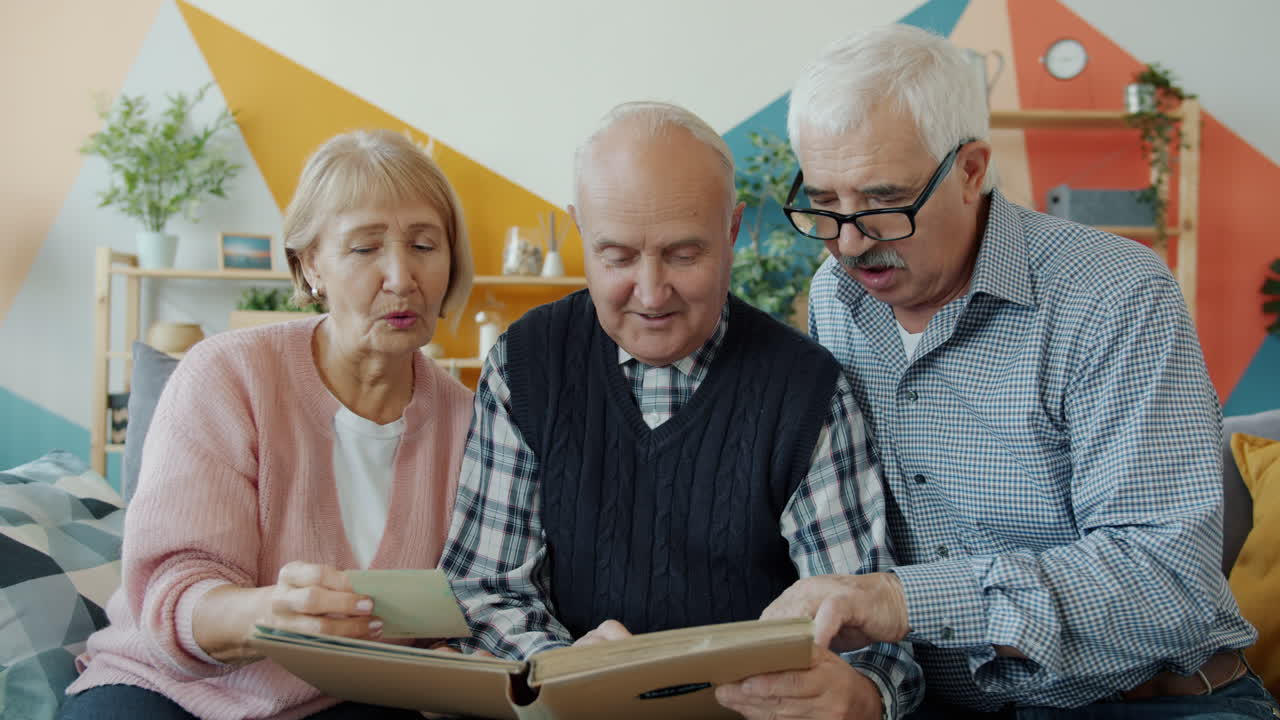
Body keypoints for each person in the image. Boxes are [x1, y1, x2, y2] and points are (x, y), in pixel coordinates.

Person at [752, 23, 1276, 718]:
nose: (849, 244)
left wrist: (901, 599)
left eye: (882, 203)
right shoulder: (836, 298)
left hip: (1149, 702)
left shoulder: (1114, 295)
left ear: (970, 170)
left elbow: (1167, 582)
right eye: (824, 203)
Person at [441, 101, 922, 719]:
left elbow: (870, 630)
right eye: (616, 256)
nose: (650, 292)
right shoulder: (526, 365)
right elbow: (484, 589)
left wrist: (859, 695)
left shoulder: (806, 389)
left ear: (732, 230)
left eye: (683, 254)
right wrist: (565, 670)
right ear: (580, 232)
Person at [60, 129, 477, 720]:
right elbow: (174, 590)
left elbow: (472, 609)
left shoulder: (471, 421)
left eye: (424, 245)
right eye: (365, 248)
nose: (401, 275)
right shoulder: (227, 375)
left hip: (351, 700)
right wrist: (269, 617)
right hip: (168, 687)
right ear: (310, 265)